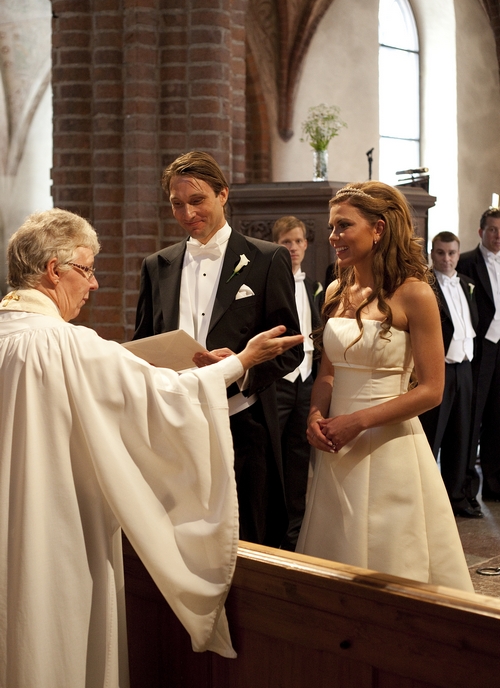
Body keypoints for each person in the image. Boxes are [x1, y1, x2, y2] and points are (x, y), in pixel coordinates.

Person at [0, 208, 303, 688]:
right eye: (87, 269)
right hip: (57, 525)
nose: (94, 283)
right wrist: (241, 361)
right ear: (54, 270)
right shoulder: (68, 344)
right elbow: (168, 397)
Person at [296, 182, 473, 592]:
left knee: (392, 558)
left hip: (388, 442)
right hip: (336, 443)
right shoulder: (337, 290)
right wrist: (315, 415)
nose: (333, 236)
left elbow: (431, 390)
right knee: (335, 551)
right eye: (331, 227)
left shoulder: (415, 294)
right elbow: (328, 372)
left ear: (378, 228)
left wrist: (357, 422)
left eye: (344, 225)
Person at [134, 151, 303, 547]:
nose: (187, 213)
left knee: (247, 537)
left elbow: (289, 347)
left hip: (242, 422)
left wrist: (240, 368)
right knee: (181, 534)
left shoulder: (266, 258)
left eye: (197, 200)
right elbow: (143, 342)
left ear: (222, 194)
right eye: (177, 203)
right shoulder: (157, 265)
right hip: (176, 422)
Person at [419, 232, 481, 518]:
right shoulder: (425, 285)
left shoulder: (467, 284)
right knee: (432, 434)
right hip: (438, 368)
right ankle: (424, 500)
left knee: (461, 434)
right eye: (440, 253)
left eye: (451, 253)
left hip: (465, 367)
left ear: (458, 254)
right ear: (432, 254)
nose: (446, 258)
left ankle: (455, 497)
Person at [271, 216, 322, 549]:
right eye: (286, 242)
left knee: (299, 458)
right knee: (273, 456)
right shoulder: (269, 282)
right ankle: (271, 530)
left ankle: (294, 536)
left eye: (298, 241)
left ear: (306, 245)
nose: (293, 247)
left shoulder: (314, 286)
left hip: (306, 381)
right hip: (278, 380)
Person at [457, 208, 500, 502]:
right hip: (477, 351)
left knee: (498, 417)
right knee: (472, 418)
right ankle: (465, 488)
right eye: (493, 230)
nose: (497, 236)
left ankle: (495, 485)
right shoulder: (465, 263)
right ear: (481, 232)